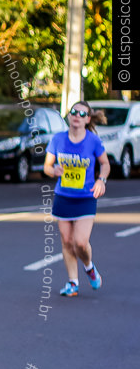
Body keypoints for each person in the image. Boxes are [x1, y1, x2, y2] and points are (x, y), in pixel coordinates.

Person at [43, 101, 110, 297]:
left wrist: (101, 180)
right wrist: (53, 170)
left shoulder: (93, 141)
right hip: (63, 196)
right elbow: (47, 166)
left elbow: (105, 164)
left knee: (80, 242)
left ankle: (89, 267)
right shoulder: (57, 139)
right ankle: (73, 282)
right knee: (66, 241)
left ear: (87, 119)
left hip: (86, 197)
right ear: (69, 116)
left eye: (82, 114)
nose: (76, 116)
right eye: (73, 112)